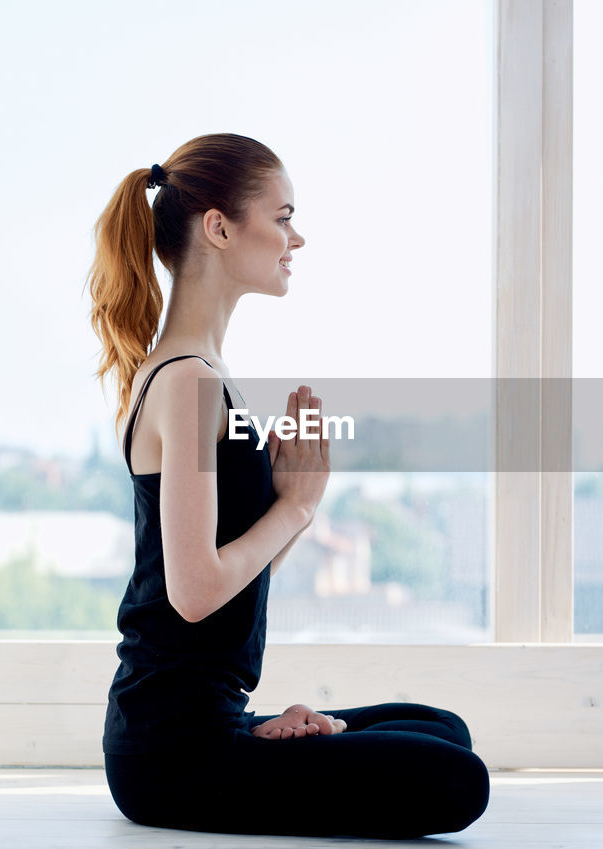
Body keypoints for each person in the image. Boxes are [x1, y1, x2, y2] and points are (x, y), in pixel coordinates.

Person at [86, 132, 490, 839]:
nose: (295, 238)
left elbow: (221, 583)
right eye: (281, 217)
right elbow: (195, 590)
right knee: (457, 778)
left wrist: (289, 513)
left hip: (207, 721)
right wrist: (296, 505)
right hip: (173, 752)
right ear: (218, 226)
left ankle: (276, 738)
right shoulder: (188, 381)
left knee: (441, 727)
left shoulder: (198, 373)